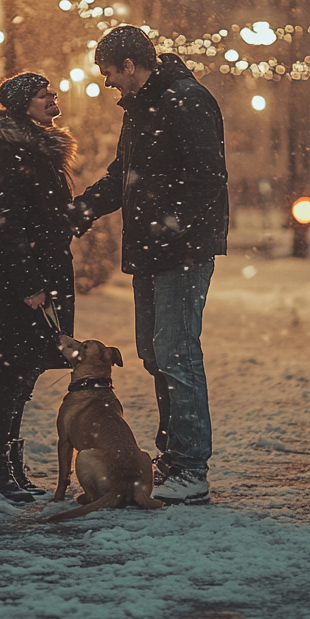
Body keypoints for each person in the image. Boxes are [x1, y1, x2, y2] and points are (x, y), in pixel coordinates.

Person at [68, 25, 229, 505]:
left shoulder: (187, 100)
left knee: (177, 354)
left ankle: (191, 466)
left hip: (181, 253)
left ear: (131, 66)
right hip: (150, 252)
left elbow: (207, 178)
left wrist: (171, 228)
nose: (107, 83)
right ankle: (173, 455)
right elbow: (125, 175)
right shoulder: (142, 107)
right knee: (155, 354)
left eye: (110, 74)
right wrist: (82, 210)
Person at [0, 72, 77, 503]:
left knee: (23, 374)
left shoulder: (36, 146)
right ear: (23, 103)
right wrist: (28, 282)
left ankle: (8, 466)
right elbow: (2, 220)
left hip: (36, 272)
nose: (53, 97)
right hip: (14, 280)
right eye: (43, 94)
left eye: (51, 91)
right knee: (12, 375)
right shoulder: (5, 149)